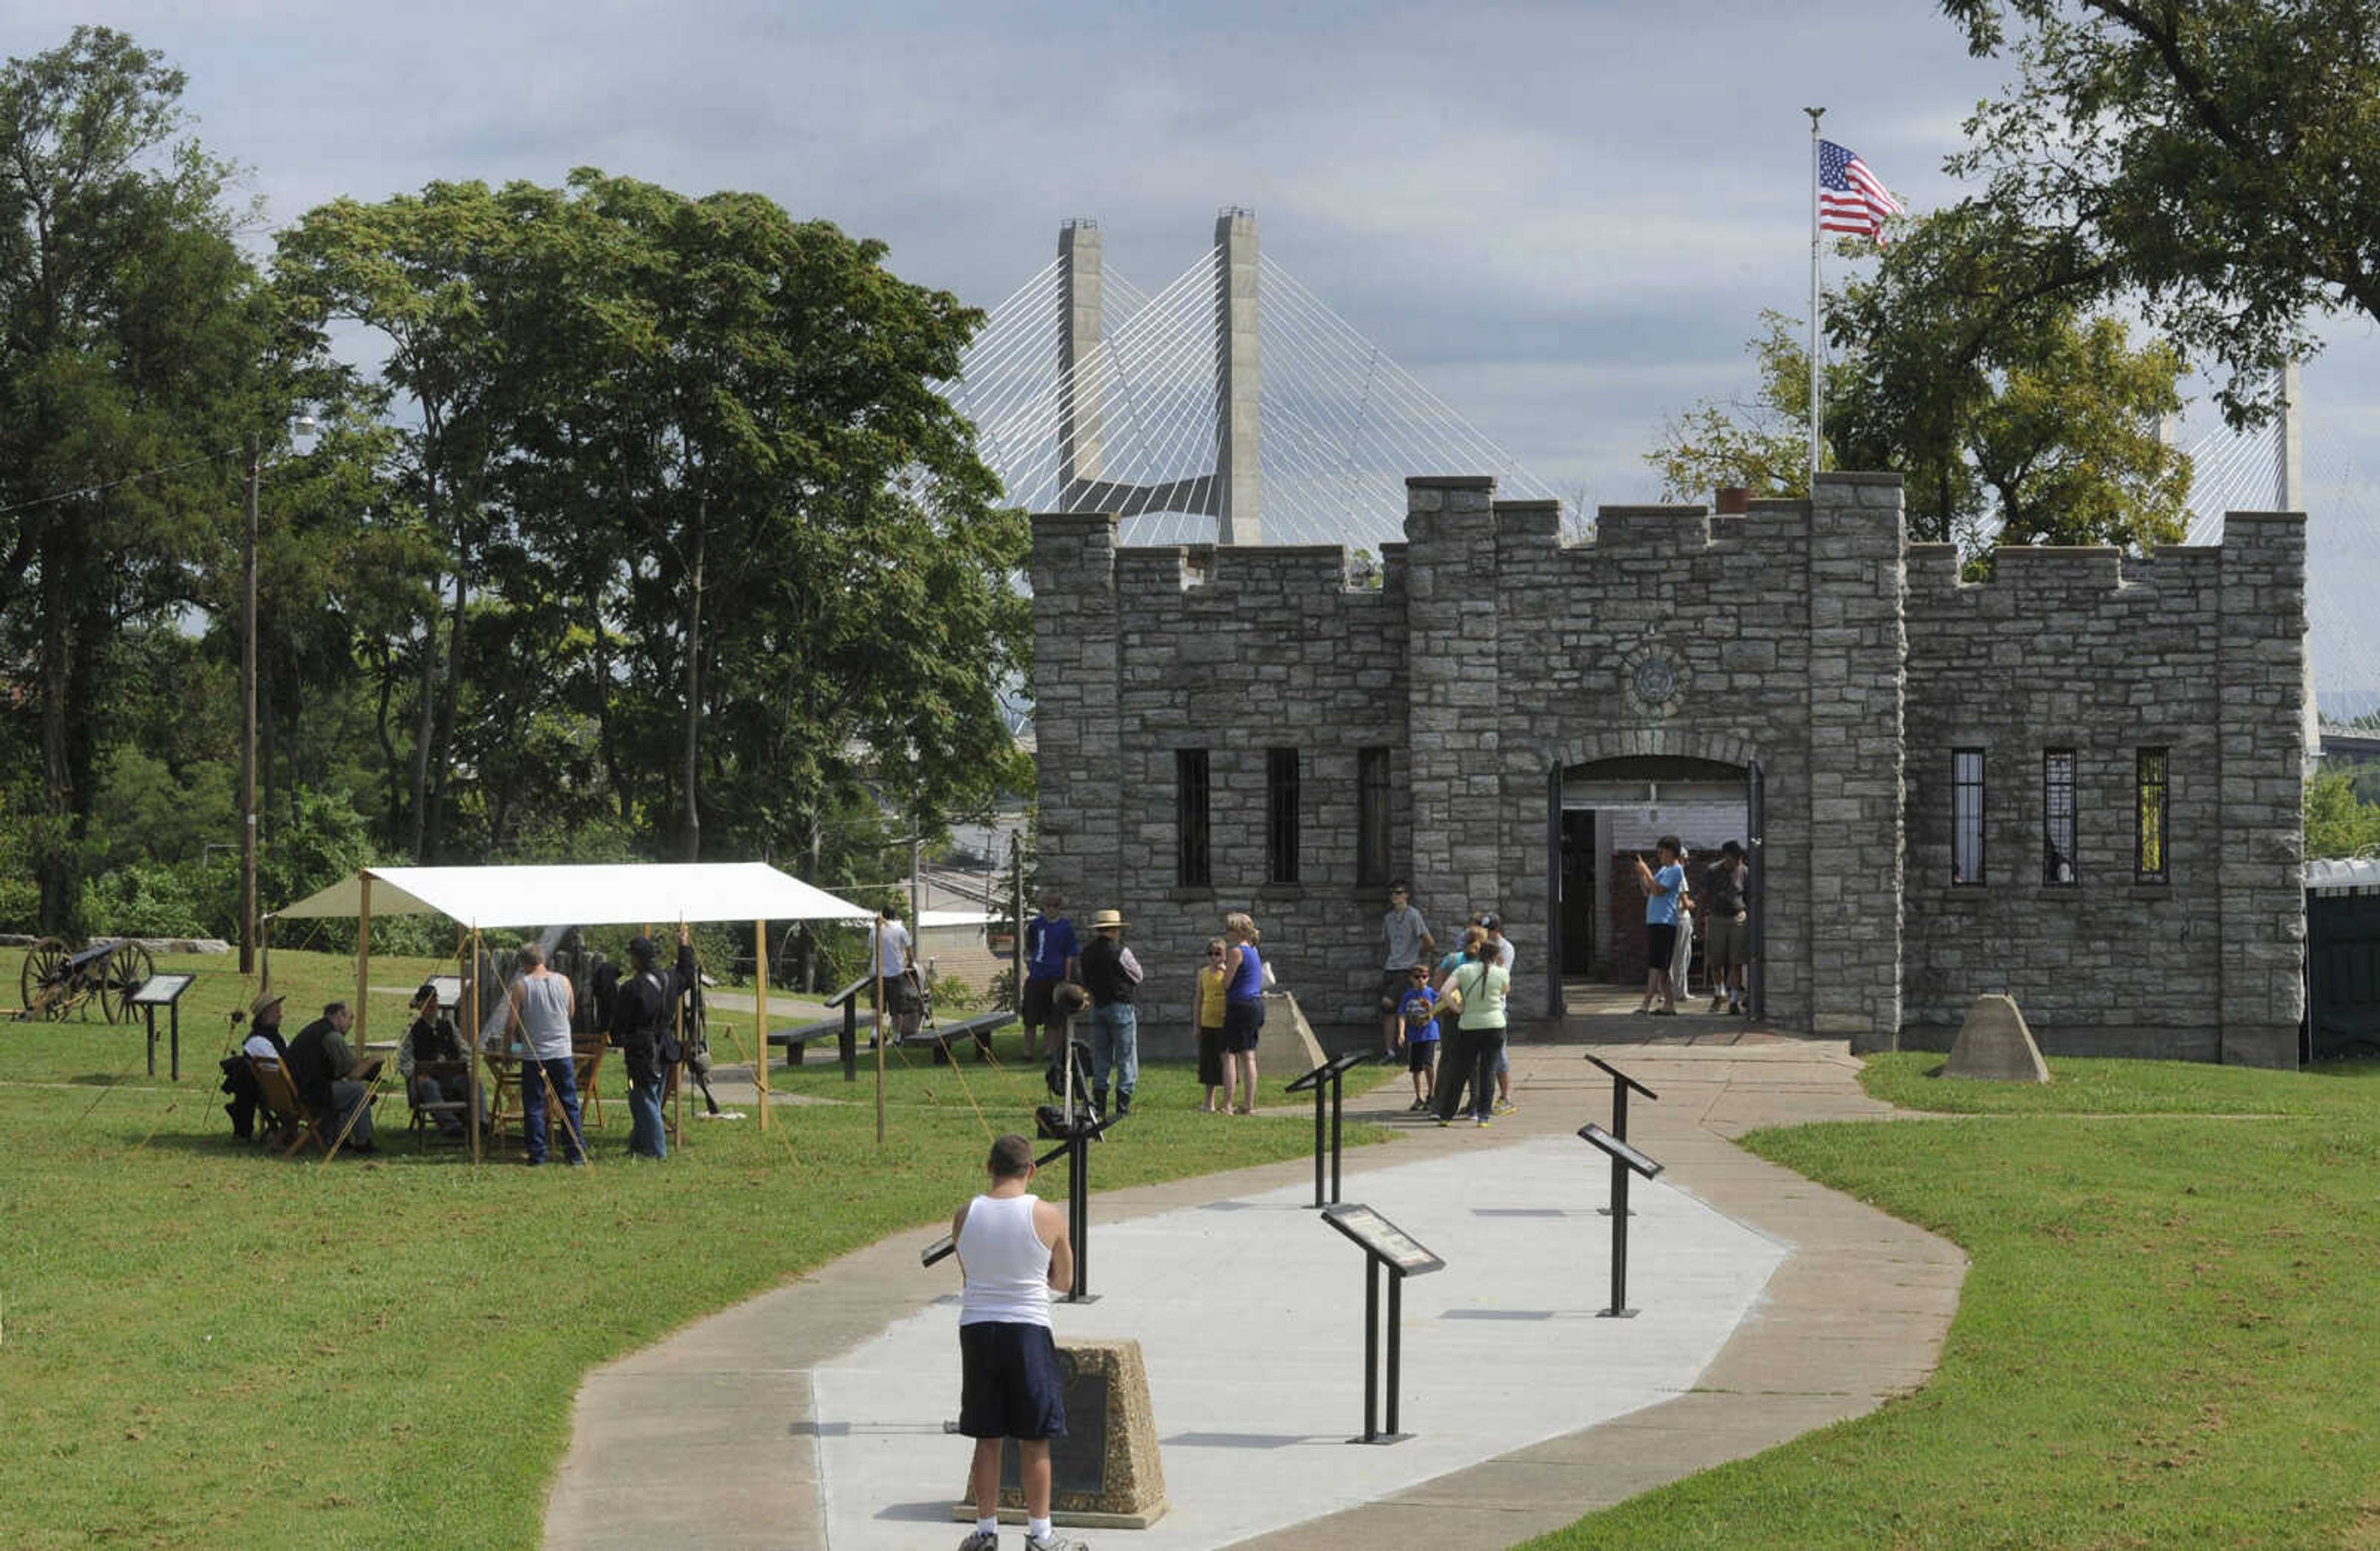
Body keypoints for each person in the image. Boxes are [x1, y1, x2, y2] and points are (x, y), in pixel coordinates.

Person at [950, 1133, 1084, 1551]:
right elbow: (1064, 1280)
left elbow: (970, 1275)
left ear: (989, 1167)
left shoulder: (965, 1214)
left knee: (986, 1435)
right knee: (1035, 1436)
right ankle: (1041, 1534)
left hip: (977, 1328)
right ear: (1031, 1169)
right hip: (1027, 1327)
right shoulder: (1047, 1214)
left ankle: (986, 1530)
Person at [608, 926, 695, 1161]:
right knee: (646, 1098)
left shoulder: (632, 988)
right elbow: (688, 973)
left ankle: (658, 1152)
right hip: (664, 1045)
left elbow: (621, 1022)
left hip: (641, 1049)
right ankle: (638, 1146)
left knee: (644, 1099)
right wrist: (684, 944)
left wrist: (616, 1038)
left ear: (637, 959)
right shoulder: (671, 979)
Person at [507, 941, 584, 1166]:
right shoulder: (565, 981)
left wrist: (514, 1051)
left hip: (534, 1056)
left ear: (523, 963)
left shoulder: (522, 986)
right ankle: (575, 1153)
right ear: (543, 959)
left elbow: (512, 1026)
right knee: (569, 1104)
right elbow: (570, 1011)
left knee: (534, 1106)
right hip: (562, 1052)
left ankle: (538, 1154)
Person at [1435, 928, 1510, 1128]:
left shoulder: (1464, 970)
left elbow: (1444, 991)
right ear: (1495, 956)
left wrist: (1458, 1008)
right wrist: (1500, 967)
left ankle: (1446, 1115)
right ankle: (1483, 1116)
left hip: (1469, 1025)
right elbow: (1505, 990)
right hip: (1495, 1025)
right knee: (1488, 1070)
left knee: (1460, 1070)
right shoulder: (1501, 972)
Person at [285, 1001, 380, 1154]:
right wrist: (373, 1061)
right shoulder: (331, 1036)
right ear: (339, 1016)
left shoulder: (316, 1029)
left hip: (295, 1091)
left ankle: (338, 1137)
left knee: (348, 1089)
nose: (351, 1024)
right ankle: (363, 1142)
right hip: (310, 1095)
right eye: (350, 1018)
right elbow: (354, 1074)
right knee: (357, 1090)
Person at [1078, 908, 1142, 1117]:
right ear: (1116, 930)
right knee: (1126, 1057)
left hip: (1098, 1007)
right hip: (1120, 1006)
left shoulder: (1087, 952)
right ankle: (1122, 1106)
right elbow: (1138, 975)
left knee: (1101, 1057)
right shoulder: (1121, 951)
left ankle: (1100, 1105)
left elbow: (1085, 979)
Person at [399, 983, 476, 1139]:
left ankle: (479, 1123)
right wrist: (415, 1075)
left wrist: (467, 1067)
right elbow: (404, 1061)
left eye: (434, 1001)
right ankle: (451, 1126)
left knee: (473, 1082)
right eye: (427, 1002)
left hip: (450, 1078)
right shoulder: (412, 1029)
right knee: (429, 1085)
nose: (431, 1006)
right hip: (424, 1081)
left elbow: (465, 1050)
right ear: (420, 1005)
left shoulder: (448, 1026)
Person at [1018, 890, 1080, 1061]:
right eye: (1048, 907)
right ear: (1043, 908)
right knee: (1030, 1017)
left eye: (1055, 907)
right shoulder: (1035, 925)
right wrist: (1031, 968)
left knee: (1055, 1019)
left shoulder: (1066, 927)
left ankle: (1050, 1052)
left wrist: (1067, 979)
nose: (1051, 910)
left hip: (1057, 977)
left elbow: (1070, 954)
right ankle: (1028, 1052)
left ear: (1059, 909)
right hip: (1037, 977)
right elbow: (1030, 950)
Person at [219, 991, 289, 1141]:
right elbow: (279, 1069)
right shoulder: (258, 1042)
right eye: (276, 1011)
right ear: (264, 1016)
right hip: (280, 1094)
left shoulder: (277, 1037)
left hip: (284, 1089)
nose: (281, 1015)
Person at [1377, 881, 1435, 1058]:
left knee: (1391, 1002)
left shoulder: (1413, 915)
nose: (1394, 896)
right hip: (1391, 968)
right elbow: (1386, 943)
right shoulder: (1388, 918)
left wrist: (1416, 957)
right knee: (1389, 1011)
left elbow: (1429, 942)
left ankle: (1411, 1046)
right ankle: (1390, 1051)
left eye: (1398, 892)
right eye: (1392, 893)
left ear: (1406, 895)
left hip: (1407, 969)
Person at [1633, 837, 1686, 1016]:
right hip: (1655, 921)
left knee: (1656, 965)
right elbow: (1648, 891)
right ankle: (1669, 1005)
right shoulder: (1664, 870)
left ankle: (1646, 1003)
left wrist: (1646, 870)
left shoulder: (1676, 870)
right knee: (1662, 967)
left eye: (1662, 852)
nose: (1660, 855)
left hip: (1665, 922)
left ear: (1672, 852)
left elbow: (1658, 890)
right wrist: (1642, 875)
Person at [1219, 912, 1265, 1115]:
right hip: (1255, 1005)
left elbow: (1226, 984)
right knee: (1249, 1056)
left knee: (1229, 1055)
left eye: (1230, 929)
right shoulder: (1254, 951)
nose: (1227, 934)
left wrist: (1223, 969)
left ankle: (1227, 1104)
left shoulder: (1236, 952)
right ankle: (1248, 1105)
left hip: (1239, 1005)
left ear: (1239, 932)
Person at [1703, 841, 1750, 1014]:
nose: (1737, 862)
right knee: (1716, 960)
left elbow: (1749, 896)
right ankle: (1719, 993)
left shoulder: (1744, 871)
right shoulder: (1713, 871)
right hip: (1717, 917)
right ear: (1725, 857)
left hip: (1737, 917)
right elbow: (1705, 894)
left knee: (1736, 961)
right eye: (1733, 859)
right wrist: (1701, 918)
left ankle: (1734, 999)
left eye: (1739, 859)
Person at [871, 902, 923, 1042]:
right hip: (896, 974)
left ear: (883, 914)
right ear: (895, 916)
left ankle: (876, 1033)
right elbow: (909, 951)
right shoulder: (900, 930)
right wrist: (910, 963)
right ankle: (897, 1036)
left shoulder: (875, 929)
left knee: (879, 1008)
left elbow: (872, 948)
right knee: (897, 1009)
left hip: (878, 973)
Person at [1191, 936, 1230, 1112]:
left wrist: (1226, 971)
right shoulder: (1203, 974)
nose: (1215, 958)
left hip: (1224, 1023)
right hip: (1208, 1022)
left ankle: (1227, 1102)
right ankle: (1209, 1102)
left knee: (1226, 1063)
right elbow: (1199, 1000)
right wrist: (1196, 1024)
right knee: (1208, 1063)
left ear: (1225, 955)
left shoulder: (1228, 973)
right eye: (1211, 954)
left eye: (1218, 954)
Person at [1394, 963, 1439, 1112]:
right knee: (1416, 1069)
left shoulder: (1432, 994)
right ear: (1411, 979)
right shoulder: (1408, 995)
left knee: (1428, 1064)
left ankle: (1431, 1095)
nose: (1421, 980)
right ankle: (1419, 1097)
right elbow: (1402, 1015)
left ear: (1428, 978)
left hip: (1430, 1034)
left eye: (1424, 977)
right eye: (1417, 977)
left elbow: (1442, 1009)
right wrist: (1401, 1033)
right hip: (1414, 1036)